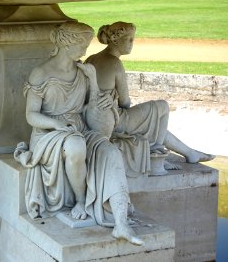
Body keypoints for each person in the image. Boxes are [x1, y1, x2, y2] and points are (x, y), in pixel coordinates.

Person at [15, 21, 143, 246]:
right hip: (47, 134)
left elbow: (91, 113)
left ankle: (121, 223)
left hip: (79, 128)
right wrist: (55, 125)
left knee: (110, 151)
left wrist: (94, 84)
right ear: (67, 43)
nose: (86, 50)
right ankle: (82, 200)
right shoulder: (41, 73)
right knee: (75, 146)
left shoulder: (84, 71)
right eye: (83, 44)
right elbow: (31, 115)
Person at [85, 21, 214, 176]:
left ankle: (190, 153)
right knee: (162, 107)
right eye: (130, 39)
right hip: (115, 120)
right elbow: (125, 103)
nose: (132, 43)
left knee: (155, 124)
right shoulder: (115, 63)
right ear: (116, 40)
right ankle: (156, 154)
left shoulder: (91, 59)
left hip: (93, 118)